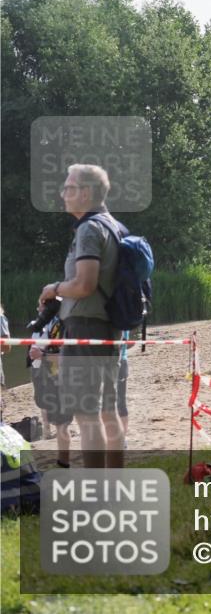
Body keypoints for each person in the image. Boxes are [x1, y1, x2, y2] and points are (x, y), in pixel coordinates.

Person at [37, 164, 125, 469]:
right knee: (106, 411)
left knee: (87, 415)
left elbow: (85, 285)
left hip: (86, 325)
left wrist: (54, 288)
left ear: (86, 193)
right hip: (108, 328)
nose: (63, 194)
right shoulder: (113, 225)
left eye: (69, 188)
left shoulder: (89, 228)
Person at [27, 308, 72, 466]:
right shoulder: (48, 325)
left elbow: (68, 356)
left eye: (43, 304)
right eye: (38, 305)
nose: (39, 309)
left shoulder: (64, 324)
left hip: (66, 379)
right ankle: (63, 463)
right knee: (62, 424)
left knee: (67, 424)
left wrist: (43, 355)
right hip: (52, 378)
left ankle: (65, 464)